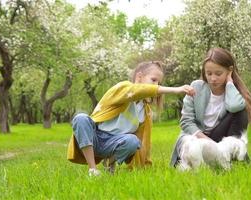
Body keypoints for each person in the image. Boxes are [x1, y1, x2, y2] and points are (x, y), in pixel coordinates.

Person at [67, 61, 195, 176]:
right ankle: (93, 170)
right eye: (153, 80)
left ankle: (109, 163)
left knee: (133, 141)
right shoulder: (123, 88)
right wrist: (175, 90)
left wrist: (144, 165)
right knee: (81, 118)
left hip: (114, 143)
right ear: (139, 77)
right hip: (95, 136)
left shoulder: (145, 111)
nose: (156, 85)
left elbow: (144, 142)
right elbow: (136, 90)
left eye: (159, 83)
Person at [170, 47, 251, 167]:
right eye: (209, 73)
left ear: (229, 71)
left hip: (219, 138)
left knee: (240, 111)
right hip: (196, 137)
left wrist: (230, 83)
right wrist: (208, 143)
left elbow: (235, 106)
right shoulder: (196, 87)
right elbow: (186, 122)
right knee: (193, 146)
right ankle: (214, 158)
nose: (213, 78)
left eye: (218, 73)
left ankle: (229, 156)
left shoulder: (233, 92)